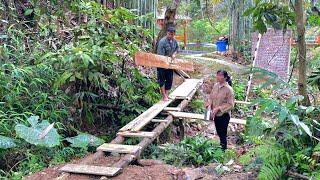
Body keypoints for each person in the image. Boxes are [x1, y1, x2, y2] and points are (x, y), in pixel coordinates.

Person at [205, 70, 235, 150]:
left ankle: (223, 150)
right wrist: (209, 104)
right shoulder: (215, 86)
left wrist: (219, 108)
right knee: (218, 132)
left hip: (224, 115)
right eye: (217, 75)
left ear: (225, 78)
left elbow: (231, 104)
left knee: (222, 133)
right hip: (215, 114)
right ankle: (220, 149)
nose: (218, 77)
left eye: (220, 75)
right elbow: (211, 97)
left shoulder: (229, 90)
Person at [156, 27, 179, 101]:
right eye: (169, 34)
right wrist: (164, 64)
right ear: (167, 33)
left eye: (172, 35)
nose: (170, 36)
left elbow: (177, 49)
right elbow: (160, 55)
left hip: (170, 64)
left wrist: (174, 54)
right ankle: (164, 96)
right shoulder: (162, 42)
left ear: (174, 34)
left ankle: (167, 94)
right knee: (162, 79)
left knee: (169, 79)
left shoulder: (174, 41)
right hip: (161, 63)